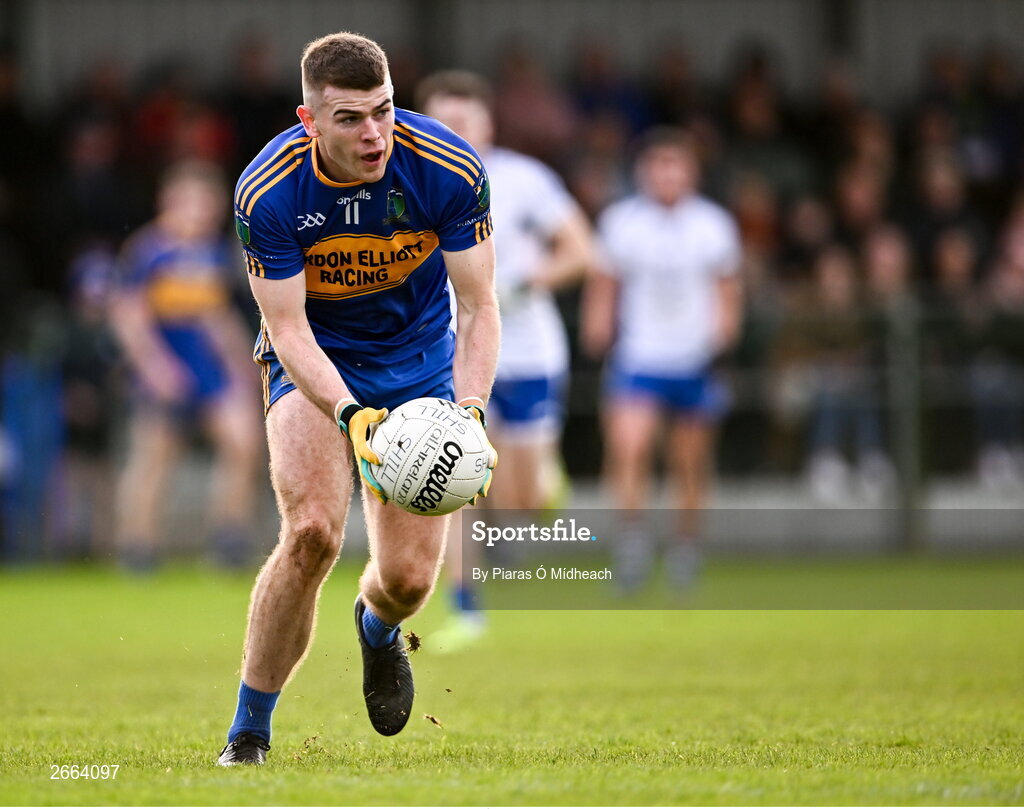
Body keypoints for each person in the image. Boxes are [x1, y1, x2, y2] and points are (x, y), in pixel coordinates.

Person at [217, 32, 498, 766]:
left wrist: (468, 411)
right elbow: (286, 326)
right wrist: (350, 414)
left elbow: (479, 306)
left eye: (383, 111)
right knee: (311, 532)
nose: (374, 134)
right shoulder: (269, 190)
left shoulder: (446, 168)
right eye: (350, 118)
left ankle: (376, 630)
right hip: (315, 358)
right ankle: (249, 731)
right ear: (309, 121)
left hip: (416, 363)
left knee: (407, 580)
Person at [417, 70, 594, 649]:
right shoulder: (405, 182)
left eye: (464, 121)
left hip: (527, 351)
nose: (454, 132)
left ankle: (544, 481)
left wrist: (523, 281)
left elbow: (581, 250)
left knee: (520, 504)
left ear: (487, 124)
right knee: (450, 482)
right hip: (448, 346)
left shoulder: (524, 180)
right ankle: (466, 609)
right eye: (443, 120)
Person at [582, 127, 742, 590]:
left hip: (694, 358)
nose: (667, 174)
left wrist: (723, 338)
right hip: (639, 356)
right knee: (629, 448)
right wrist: (598, 330)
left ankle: (685, 548)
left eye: (676, 165)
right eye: (659, 165)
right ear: (644, 172)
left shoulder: (713, 224)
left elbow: (728, 290)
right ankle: (632, 546)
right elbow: (605, 283)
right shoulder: (622, 221)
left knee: (689, 461)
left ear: (691, 173)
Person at [110, 160, 262, 571]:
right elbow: (128, 316)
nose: (201, 210)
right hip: (167, 368)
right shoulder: (148, 249)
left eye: (207, 203)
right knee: (154, 459)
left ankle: (228, 540)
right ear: (170, 200)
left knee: (243, 443)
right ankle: (136, 547)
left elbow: (215, 315)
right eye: (192, 201)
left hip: (207, 370)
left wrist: (241, 361)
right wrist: (155, 367)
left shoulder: (210, 252)